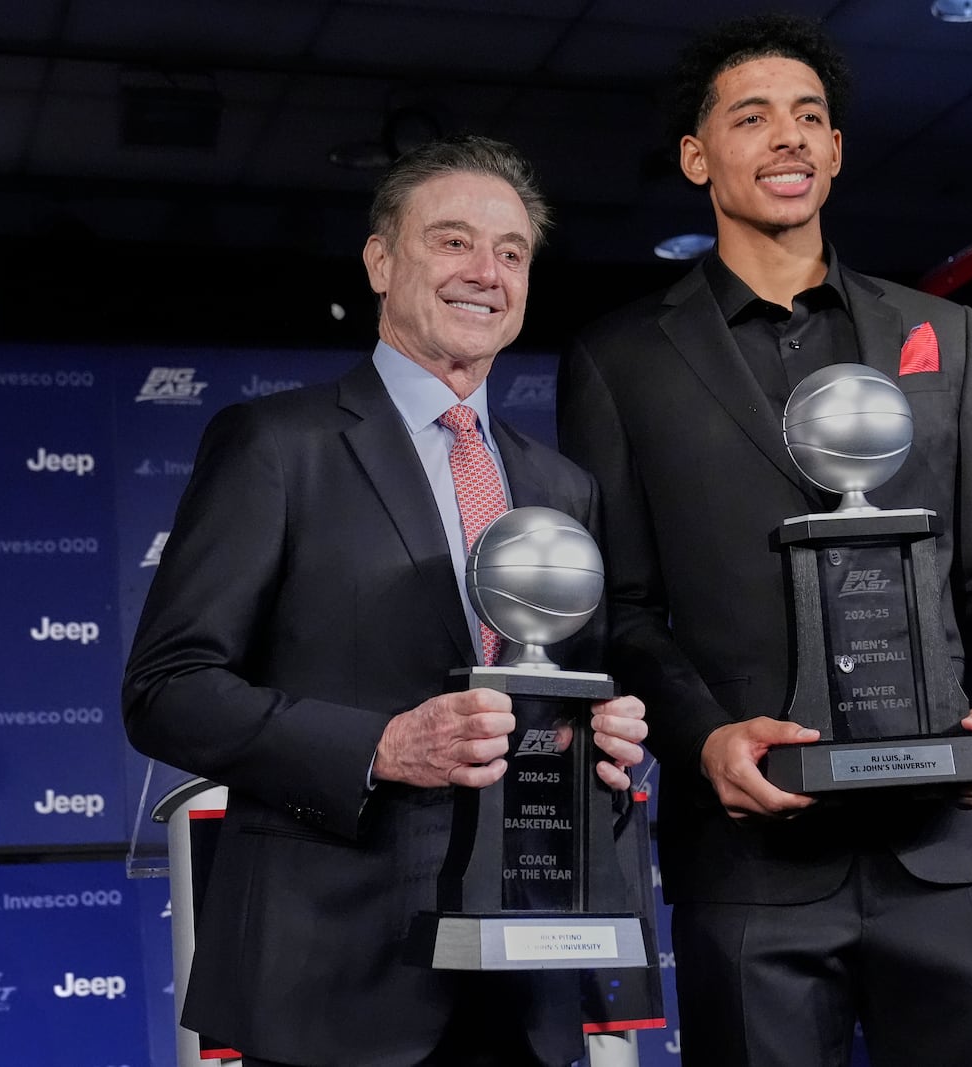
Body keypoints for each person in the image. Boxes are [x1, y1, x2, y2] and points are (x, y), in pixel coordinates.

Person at [556, 13, 972, 1067]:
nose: (785, 137)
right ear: (698, 156)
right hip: (753, 862)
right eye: (751, 116)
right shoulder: (616, 362)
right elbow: (623, 610)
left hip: (952, 850)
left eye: (808, 117)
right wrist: (705, 741)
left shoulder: (943, 334)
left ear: (833, 151)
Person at [123, 133, 648, 1067]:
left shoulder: (562, 487)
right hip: (333, 981)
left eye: (513, 252)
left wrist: (603, 749)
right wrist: (382, 747)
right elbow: (167, 687)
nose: (486, 271)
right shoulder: (277, 446)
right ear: (379, 260)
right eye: (453, 241)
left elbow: (564, 706)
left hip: (523, 979)